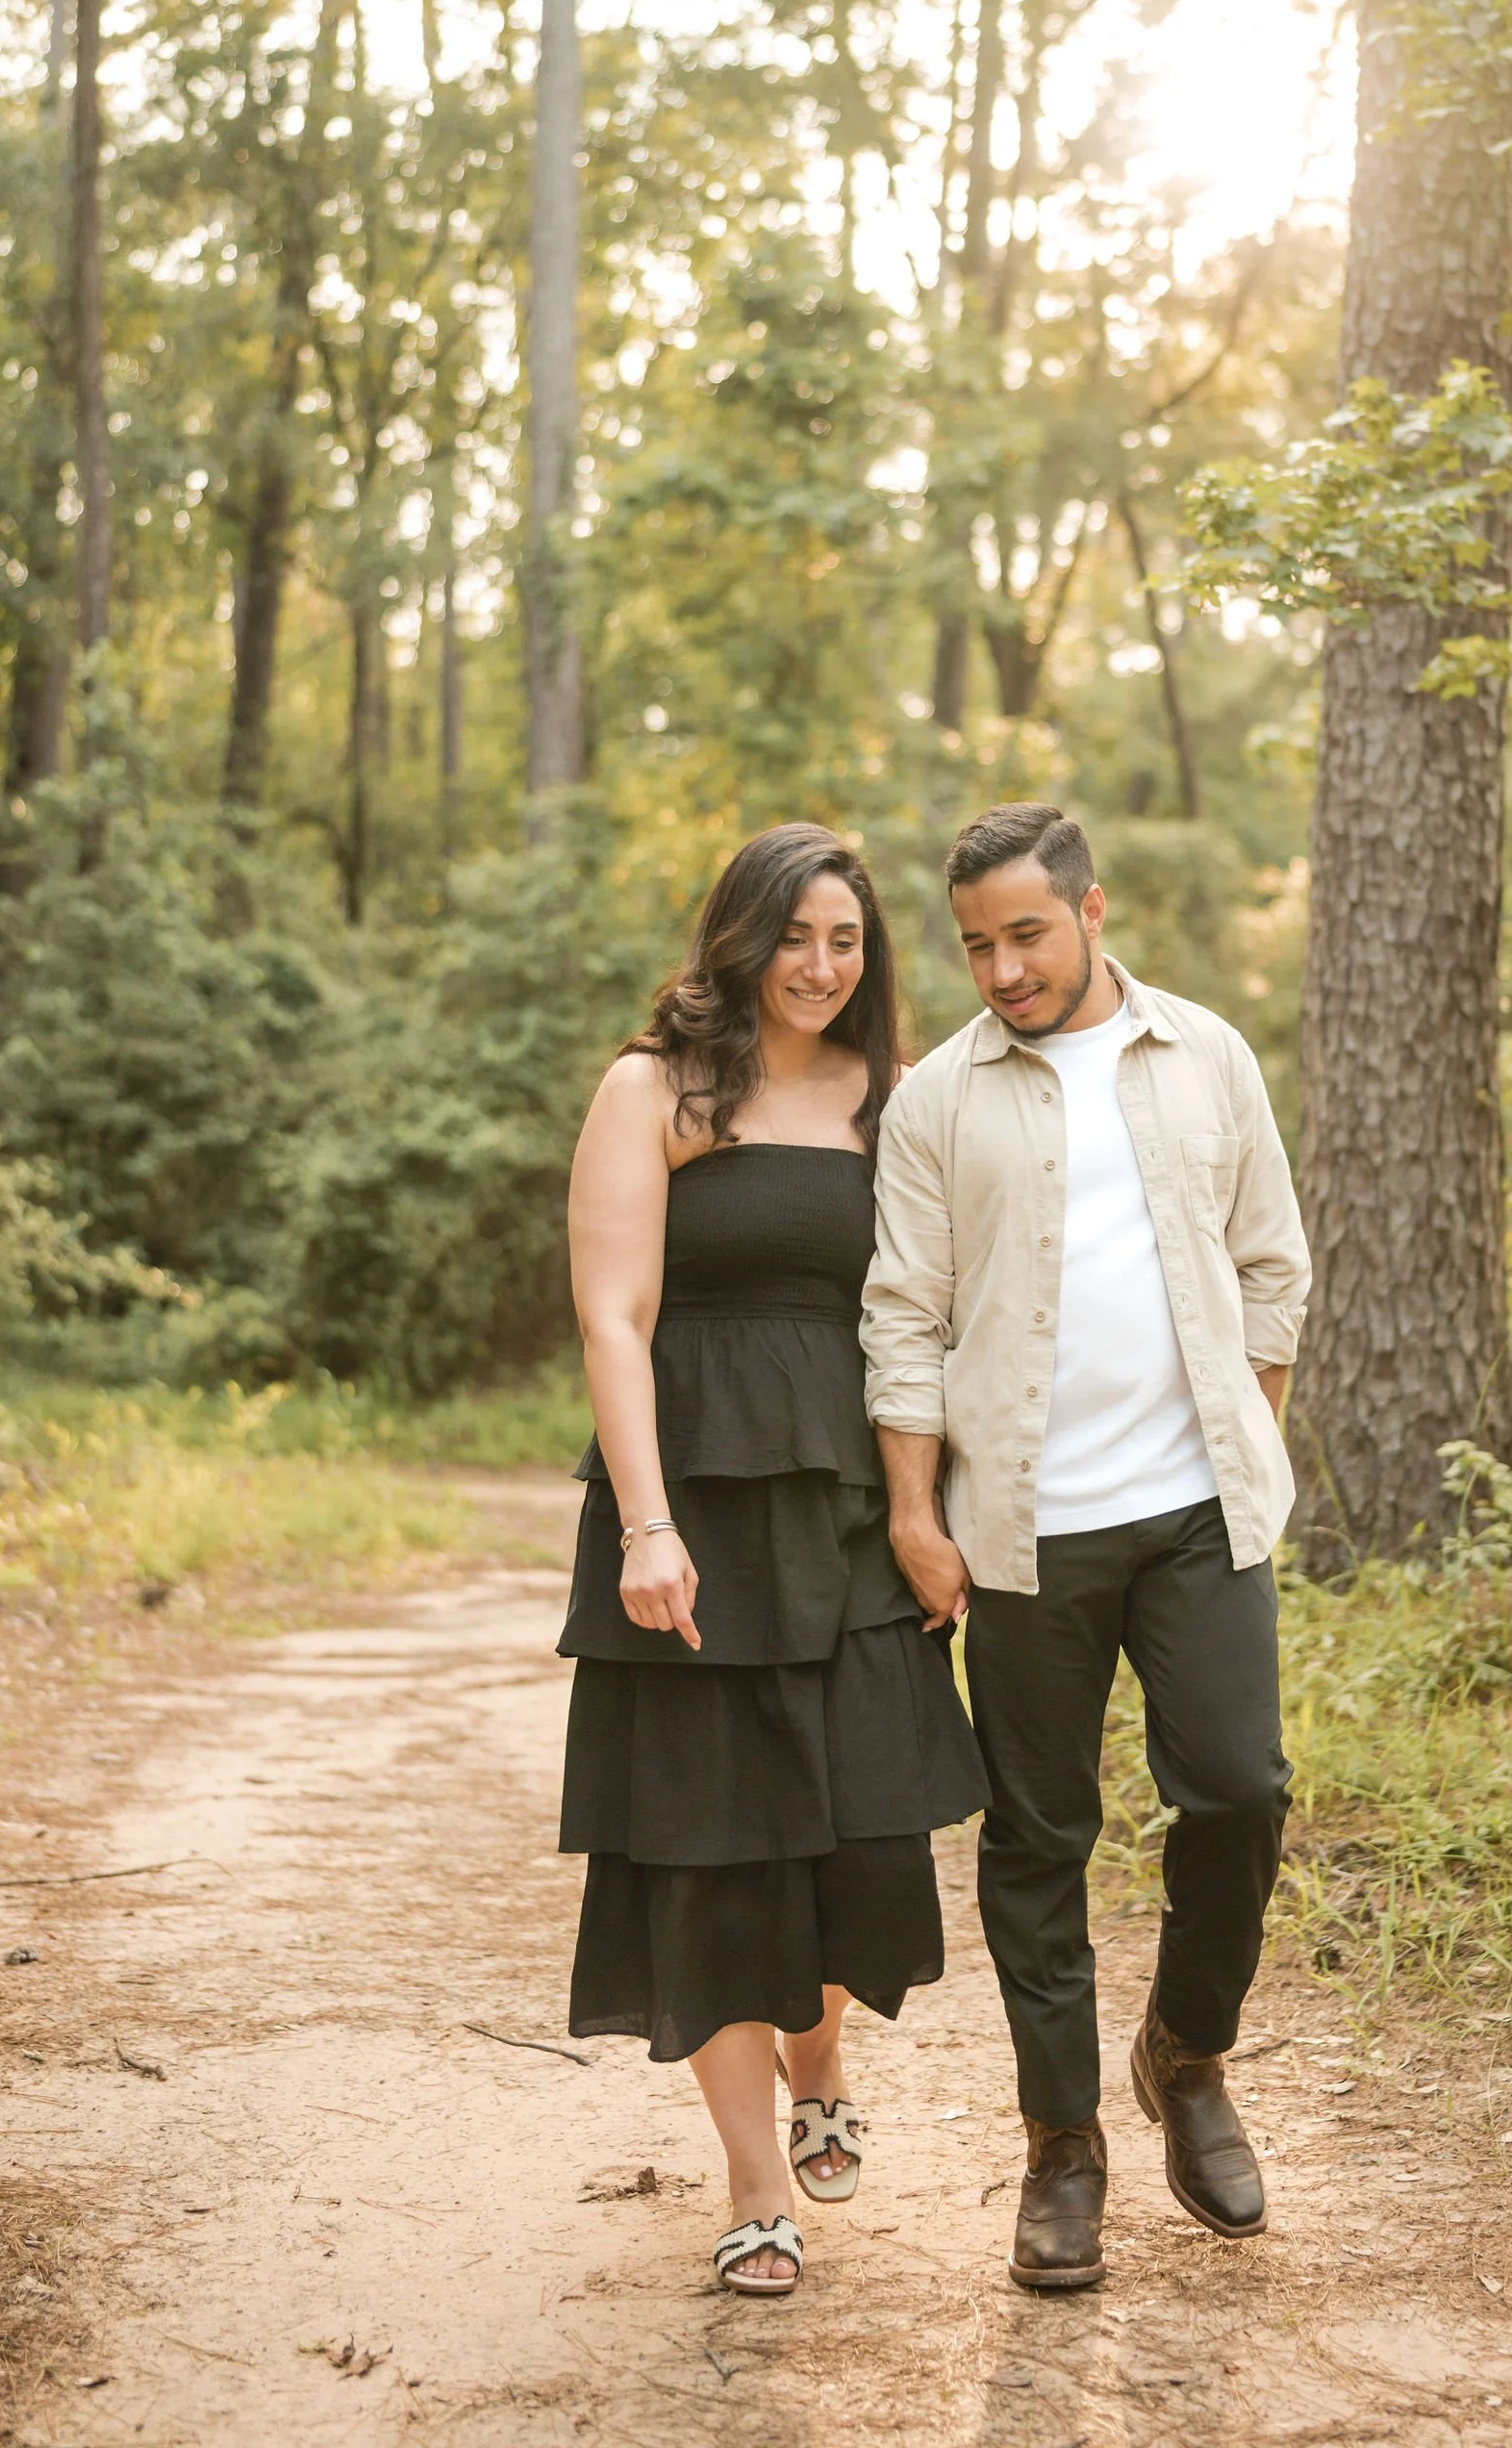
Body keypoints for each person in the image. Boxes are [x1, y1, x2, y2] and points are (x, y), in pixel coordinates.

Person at [863, 800, 1309, 2292]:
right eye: (977, 944)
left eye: (1027, 934)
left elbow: (1270, 1266)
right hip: (1025, 1534)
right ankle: (1063, 2149)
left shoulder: (1208, 1058)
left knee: (1239, 1791)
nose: (1002, 968)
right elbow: (904, 1320)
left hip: (1197, 1515)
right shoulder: (935, 1099)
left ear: (1093, 910)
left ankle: (1187, 2055)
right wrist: (918, 1517)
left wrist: (1250, 1436)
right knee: (1037, 1847)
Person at [558, 824, 987, 2299]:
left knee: (857, 1834)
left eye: (847, 941)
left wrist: (945, 1517)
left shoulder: (904, 1101)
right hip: (695, 1512)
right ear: (739, 936)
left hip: (857, 1511)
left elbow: (946, 1315)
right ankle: (755, 2192)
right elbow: (616, 1315)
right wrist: (647, 1523)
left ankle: (824, 2069)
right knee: (710, 1849)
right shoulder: (657, 1090)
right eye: (796, 936)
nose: (821, 965)